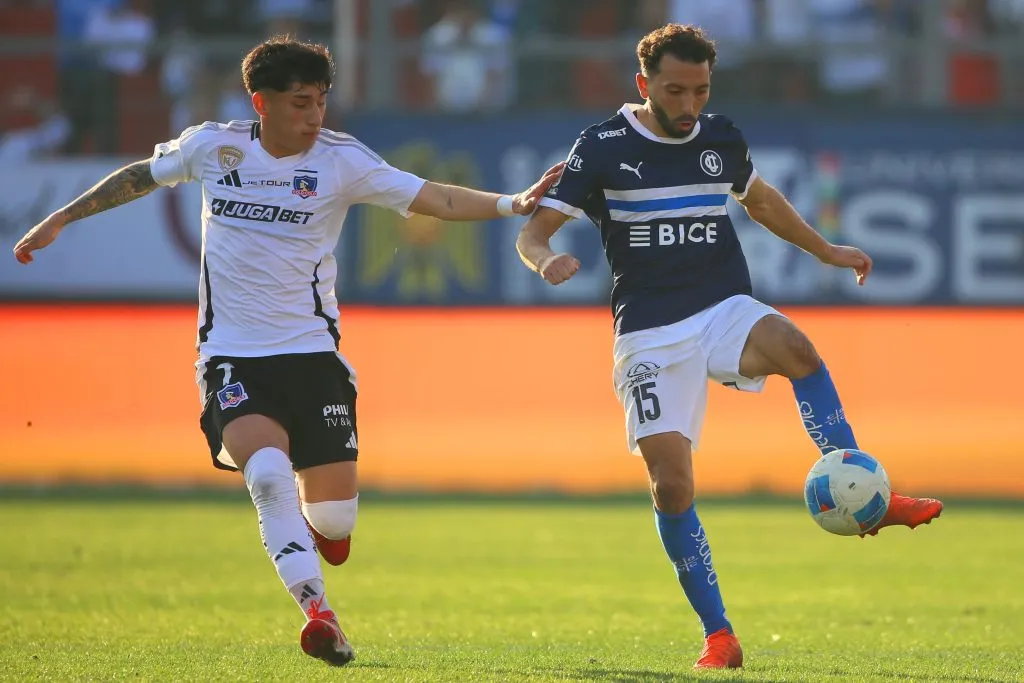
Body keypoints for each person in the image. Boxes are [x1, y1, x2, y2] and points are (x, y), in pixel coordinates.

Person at [14, 36, 562, 667]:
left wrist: (511, 204)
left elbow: (432, 197)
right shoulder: (214, 147)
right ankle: (319, 614)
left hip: (313, 360)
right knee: (270, 476)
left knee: (331, 518)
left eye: (321, 101)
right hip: (231, 357)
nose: (314, 115)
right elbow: (140, 175)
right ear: (262, 102)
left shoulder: (341, 161)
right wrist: (60, 217)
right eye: (301, 103)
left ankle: (327, 533)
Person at [514, 23, 943, 670]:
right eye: (676, 91)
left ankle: (862, 493)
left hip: (720, 307)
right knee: (672, 486)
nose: (690, 106)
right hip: (650, 333)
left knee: (798, 348)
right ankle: (719, 633)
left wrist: (826, 249)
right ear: (644, 84)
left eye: (701, 91)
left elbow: (761, 200)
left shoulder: (721, 136)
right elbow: (533, 233)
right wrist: (545, 262)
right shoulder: (600, 146)